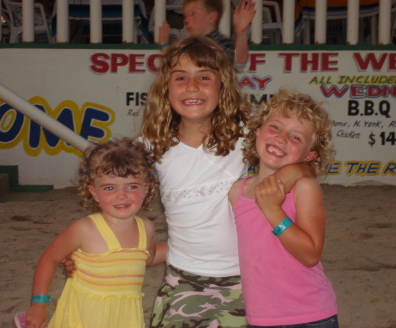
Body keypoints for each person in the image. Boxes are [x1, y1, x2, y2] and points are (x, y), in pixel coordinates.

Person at [63, 36, 313, 328]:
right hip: (183, 281)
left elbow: (303, 167)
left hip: (251, 278)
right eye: (180, 77)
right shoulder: (148, 147)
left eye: (204, 77)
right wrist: (92, 254)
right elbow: (115, 206)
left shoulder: (249, 136)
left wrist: (290, 174)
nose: (192, 87)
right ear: (165, 88)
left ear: (223, 85)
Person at [23, 137, 167, 328]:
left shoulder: (146, 227)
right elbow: (49, 258)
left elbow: (148, 258)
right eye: (109, 188)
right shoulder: (84, 229)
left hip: (125, 318)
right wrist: (39, 305)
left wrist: (185, 244)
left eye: (131, 186)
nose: (121, 195)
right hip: (84, 317)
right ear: (94, 193)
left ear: (146, 189)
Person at [229, 89, 339, 327]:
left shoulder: (304, 188)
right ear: (257, 131)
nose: (281, 138)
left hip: (310, 317)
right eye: (275, 127)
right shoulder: (237, 191)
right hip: (259, 318)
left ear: (310, 155)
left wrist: (273, 211)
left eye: (296, 137)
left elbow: (310, 254)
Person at [158, 0, 256, 72]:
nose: (186, 20)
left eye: (193, 14)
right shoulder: (187, 44)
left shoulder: (220, 43)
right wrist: (165, 46)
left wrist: (240, 32)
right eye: (185, 16)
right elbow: (177, 67)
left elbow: (239, 65)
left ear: (211, 17)